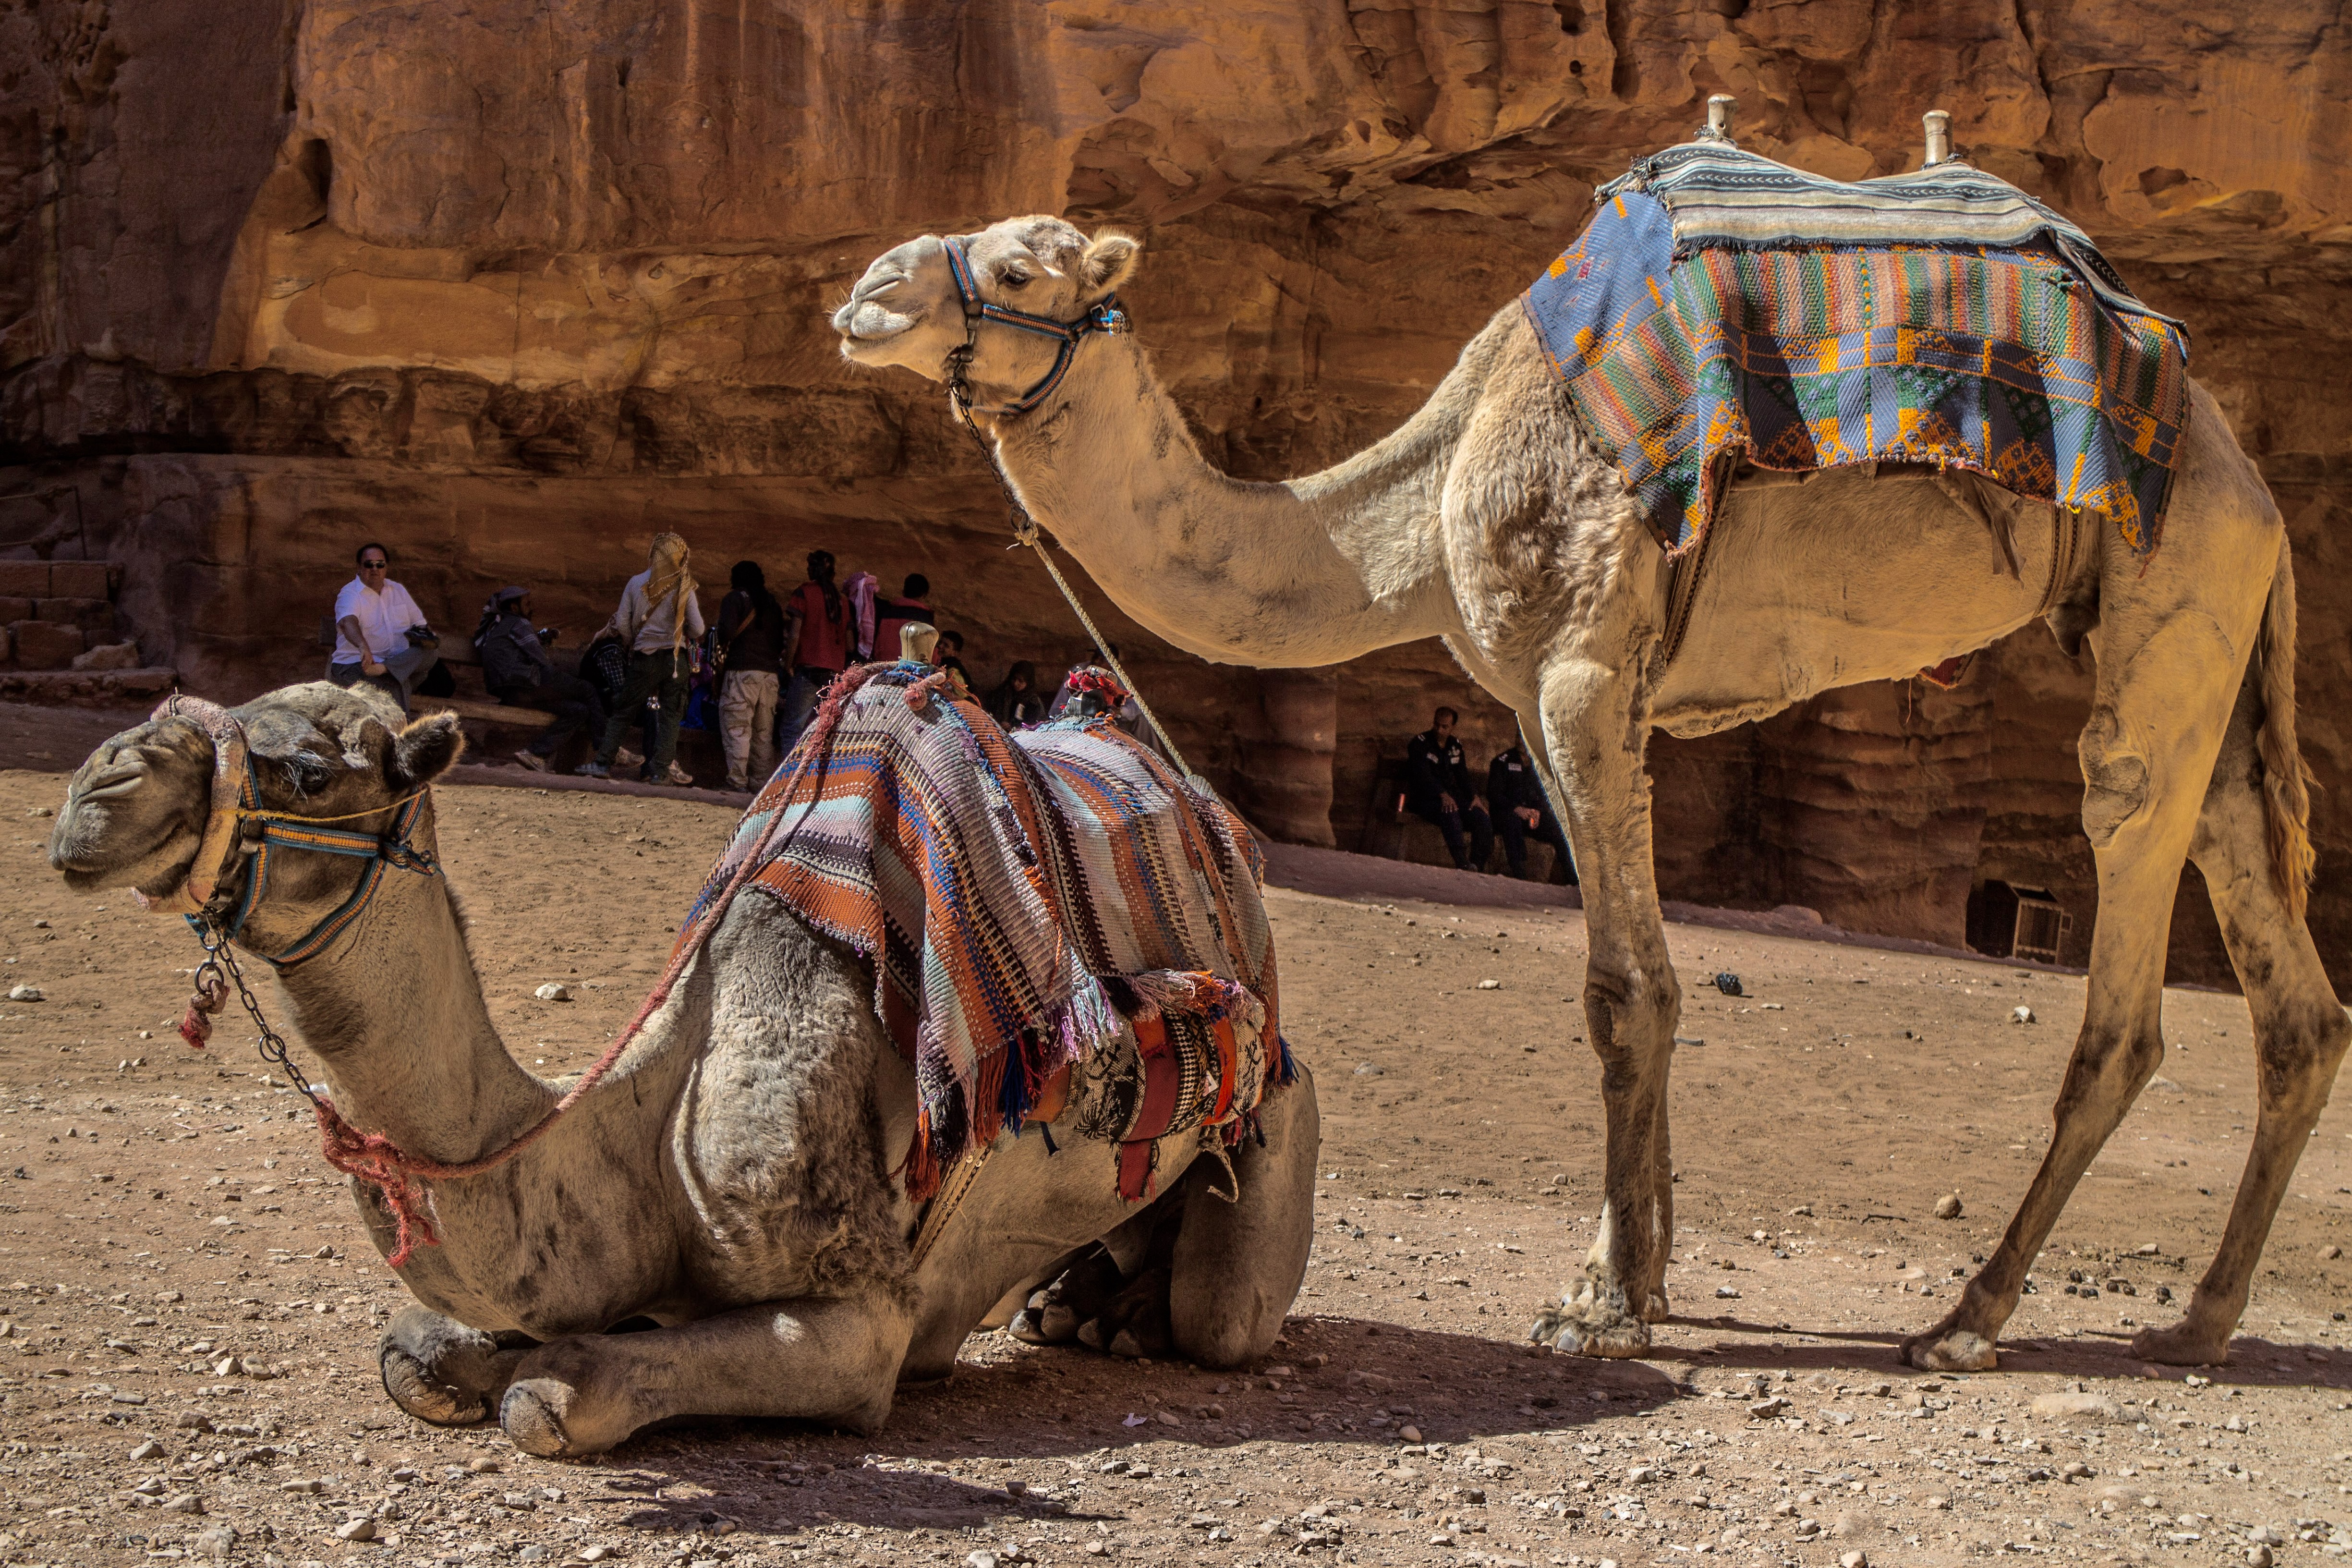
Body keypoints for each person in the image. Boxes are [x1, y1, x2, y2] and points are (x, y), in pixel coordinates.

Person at [580, 533, 703, 785]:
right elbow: (699, 629)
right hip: (675, 660)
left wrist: (636, 641)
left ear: (654, 553)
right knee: (670, 716)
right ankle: (659, 772)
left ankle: (602, 763)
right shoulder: (685, 586)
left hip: (645, 658)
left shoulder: (636, 583)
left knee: (624, 710)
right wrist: (680, 632)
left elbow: (624, 624)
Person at [474, 586, 606, 773]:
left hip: (511, 694)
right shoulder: (519, 623)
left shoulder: (495, 626)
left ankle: (535, 754)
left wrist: (540, 638)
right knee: (587, 689)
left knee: (579, 711)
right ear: (514, 607)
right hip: (526, 684)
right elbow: (540, 659)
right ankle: (606, 749)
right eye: (526, 604)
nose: (531, 607)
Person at [329, 543, 447, 711]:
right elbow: (348, 622)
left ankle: (386, 670)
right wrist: (363, 647)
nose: (375, 569)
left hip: (389, 664)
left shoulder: (397, 590)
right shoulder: (350, 594)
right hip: (356, 666)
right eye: (369, 564)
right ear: (359, 567)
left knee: (430, 652)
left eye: (380, 564)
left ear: (386, 567)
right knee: (396, 685)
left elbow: (420, 625)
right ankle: (400, 734)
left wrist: (424, 638)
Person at [714, 559, 785, 792]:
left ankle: (737, 781)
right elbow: (780, 642)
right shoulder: (772, 603)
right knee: (763, 734)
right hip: (770, 677)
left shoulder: (734, 600)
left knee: (738, 729)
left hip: (742, 673)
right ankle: (761, 785)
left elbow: (725, 632)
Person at [778, 550, 852, 754]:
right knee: (823, 731)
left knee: (792, 729)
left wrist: (787, 665)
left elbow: (794, 635)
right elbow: (850, 645)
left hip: (808, 671)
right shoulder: (843, 601)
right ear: (833, 574)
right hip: (834, 676)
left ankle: (788, 780)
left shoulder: (804, 593)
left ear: (812, 570)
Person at [1404, 705, 1493, 872]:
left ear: (1453, 727)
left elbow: (1462, 775)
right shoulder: (1421, 743)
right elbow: (1423, 776)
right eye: (1437, 725)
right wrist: (1442, 794)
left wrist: (1474, 796)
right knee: (1450, 811)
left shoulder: (1455, 746)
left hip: (1451, 797)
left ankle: (1476, 866)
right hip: (1426, 799)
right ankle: (1462, 863)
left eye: (1445, 727)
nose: (1439, 729)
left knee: (1481, 817)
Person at [1486, 737, 1576, 884]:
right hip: (1508, 814)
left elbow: (1546, 794)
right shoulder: (1502, 761)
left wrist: (1539, 811)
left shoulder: (1540, 764)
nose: (1521, 741)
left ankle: (1573, 879)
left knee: (1558, 828)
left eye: (1525, 737)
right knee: (1512, 822)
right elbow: (1494, 794)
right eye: (1518, 736)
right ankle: (1520, 873)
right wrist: (1516, 809)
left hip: (1531, 816)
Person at [873, 573, 931, 667]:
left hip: (885, 667)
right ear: (924, 595)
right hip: (910, 671)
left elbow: (878, 644)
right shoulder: (925, 618)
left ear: (903, 592)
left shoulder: (888, 612)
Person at [986, 660, 1046, 728]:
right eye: (1014, 679)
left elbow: (1034, 724)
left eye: (1021, 681)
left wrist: (1012, 727)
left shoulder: (1033, 702)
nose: (1016, 683)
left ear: (1028, 682)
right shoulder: (1003, 693)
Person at [935, 628, 973, 696]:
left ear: (955, 653)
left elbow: (962, 694)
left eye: (946, 645)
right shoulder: (941, 661)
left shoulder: (953, 669)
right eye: (940, 642)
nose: (940, 646)